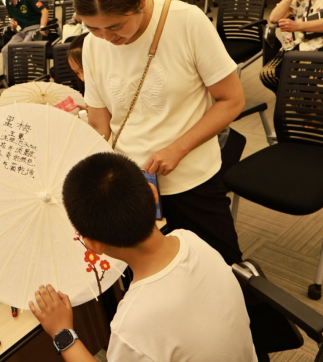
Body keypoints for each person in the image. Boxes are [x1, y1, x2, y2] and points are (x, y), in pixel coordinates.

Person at [74, 0, 245, 265]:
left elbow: (231, 100)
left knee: (222, 265)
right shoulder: (91, 45)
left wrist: (178, 149)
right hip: (133, 187)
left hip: (190, 177)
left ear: (141, 0)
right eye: (93, 28)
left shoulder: (186, 22)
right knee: (155, 275)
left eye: (115, 26)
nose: (107, 39)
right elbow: (100, 124)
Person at [29, 152, 257, 361]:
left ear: (92, 245)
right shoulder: (191, 239)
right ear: (153, 193)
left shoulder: (131, 325)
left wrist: (62, 333)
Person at [0, 0, 49, 80]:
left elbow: (44, 11)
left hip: (35, 28)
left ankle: (22, 79)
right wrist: (12, 23)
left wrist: (42, 28)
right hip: (22, 31)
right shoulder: (8, 2)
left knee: (21, 49)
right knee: (5, 50)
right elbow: (12, 17)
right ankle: (11, 79)